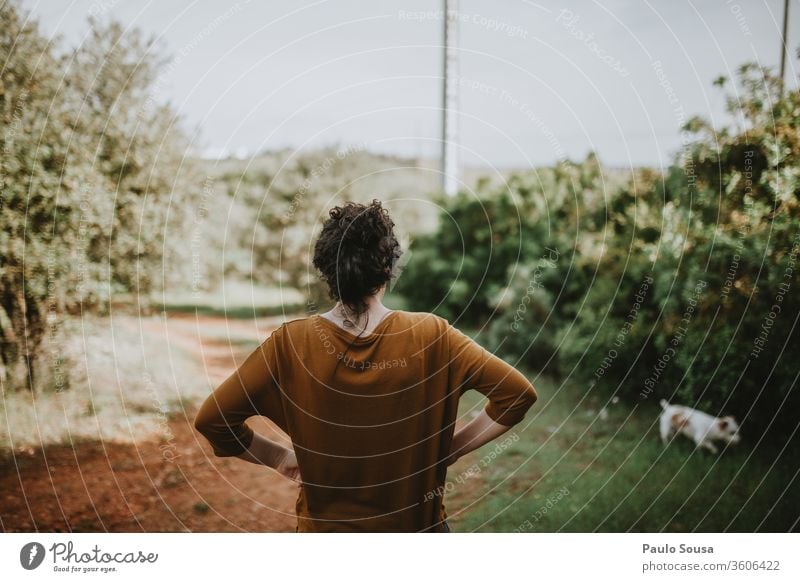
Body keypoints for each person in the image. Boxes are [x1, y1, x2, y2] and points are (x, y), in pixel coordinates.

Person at [194, 199, 538, 532]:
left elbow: (213, 420)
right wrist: (450, 450)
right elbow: (516, 394)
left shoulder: (289, 345)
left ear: (327, 270)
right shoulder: (434, 335)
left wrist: (278, 458)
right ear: (388, 267)